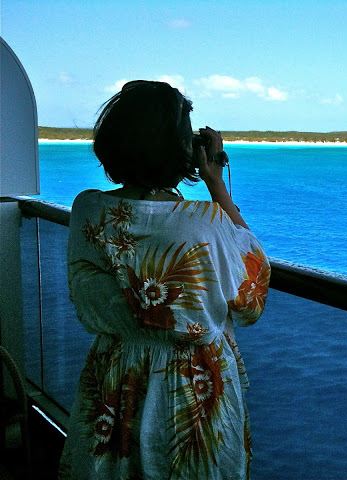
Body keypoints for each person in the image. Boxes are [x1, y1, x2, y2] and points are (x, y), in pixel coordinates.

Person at [58, 80, 270, 479]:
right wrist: (215, 180)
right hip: (194, 386)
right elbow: (252, 288)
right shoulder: (203, 222)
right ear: (182, 149)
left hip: (116, 374)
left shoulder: (87, 209)